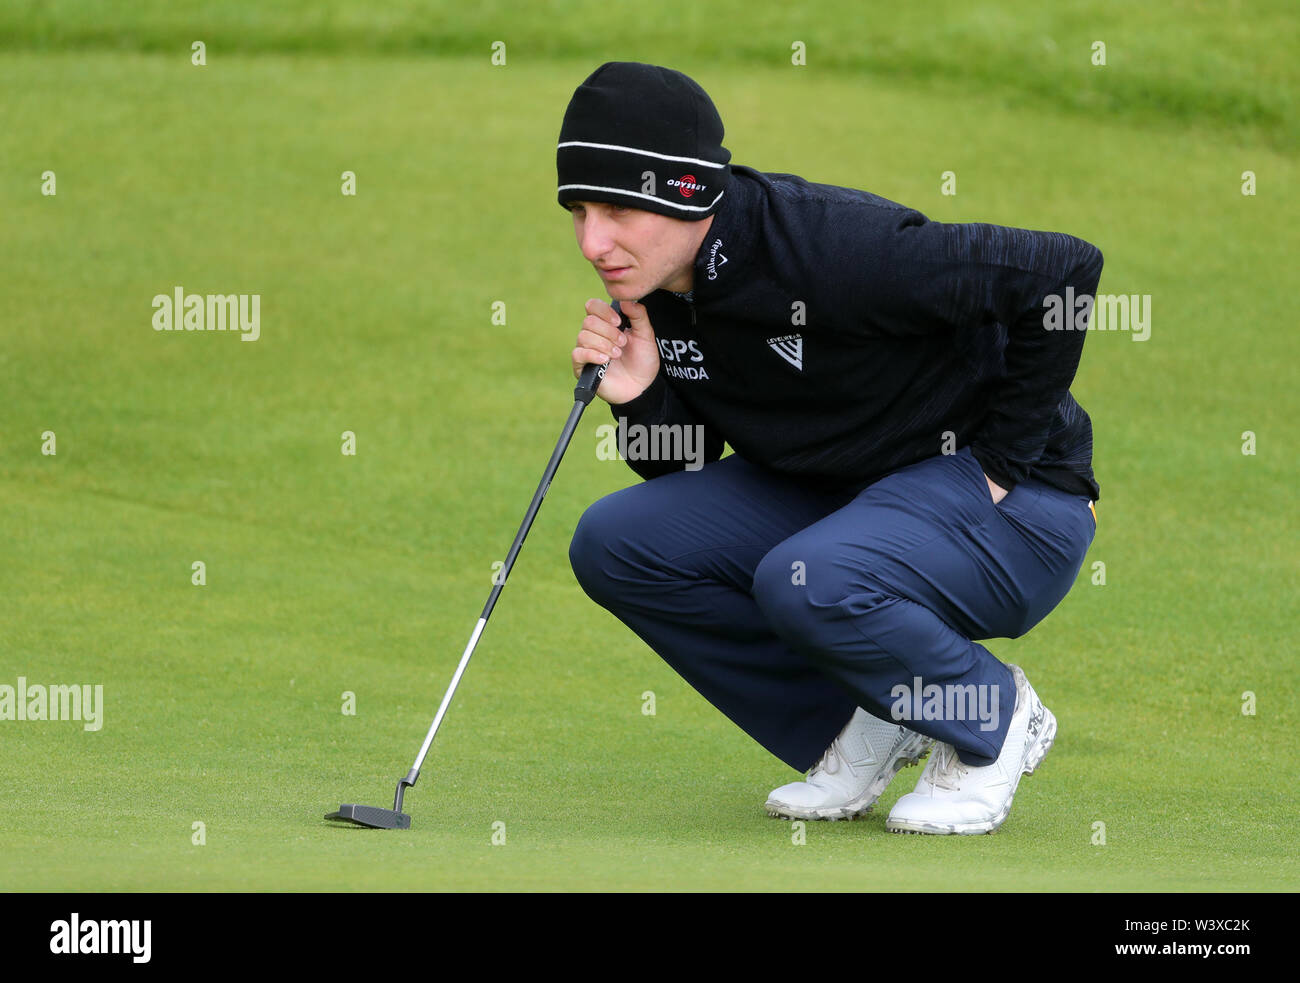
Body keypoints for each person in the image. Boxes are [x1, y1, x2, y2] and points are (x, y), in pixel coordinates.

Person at [559, 61, 1102, 835]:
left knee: (804, 578)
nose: (591, 241)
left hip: (1021, 504)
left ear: (684, 191)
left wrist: (1001, 463)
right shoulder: (656, 287)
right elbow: (683, 477)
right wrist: (644, 394)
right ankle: (868, 717)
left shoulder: (834, 248)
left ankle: (989, 711)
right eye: (578, 212)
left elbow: (1063, 270)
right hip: (855, 497)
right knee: (617, 542)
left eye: (615, 208)